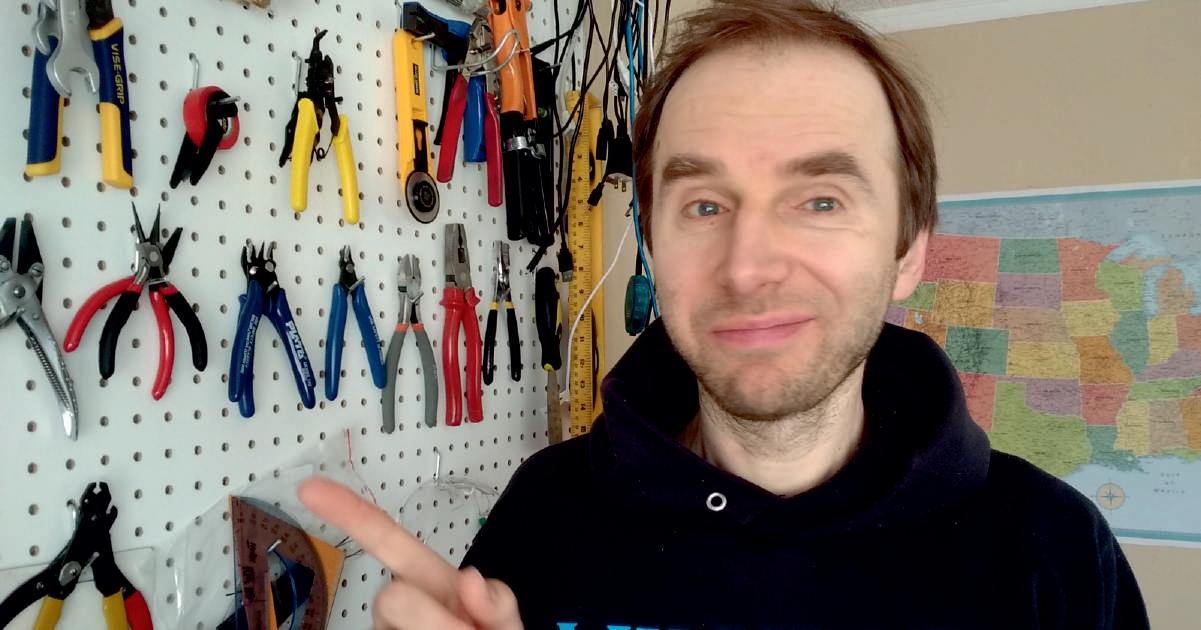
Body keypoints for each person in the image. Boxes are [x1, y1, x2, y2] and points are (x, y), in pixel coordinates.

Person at [299, 0, 1151, 627]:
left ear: (907, 252)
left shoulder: (1052, 551)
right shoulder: (546, 512)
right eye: (703, 205)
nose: (746, 267)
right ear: (653, 242)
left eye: (819, 201)